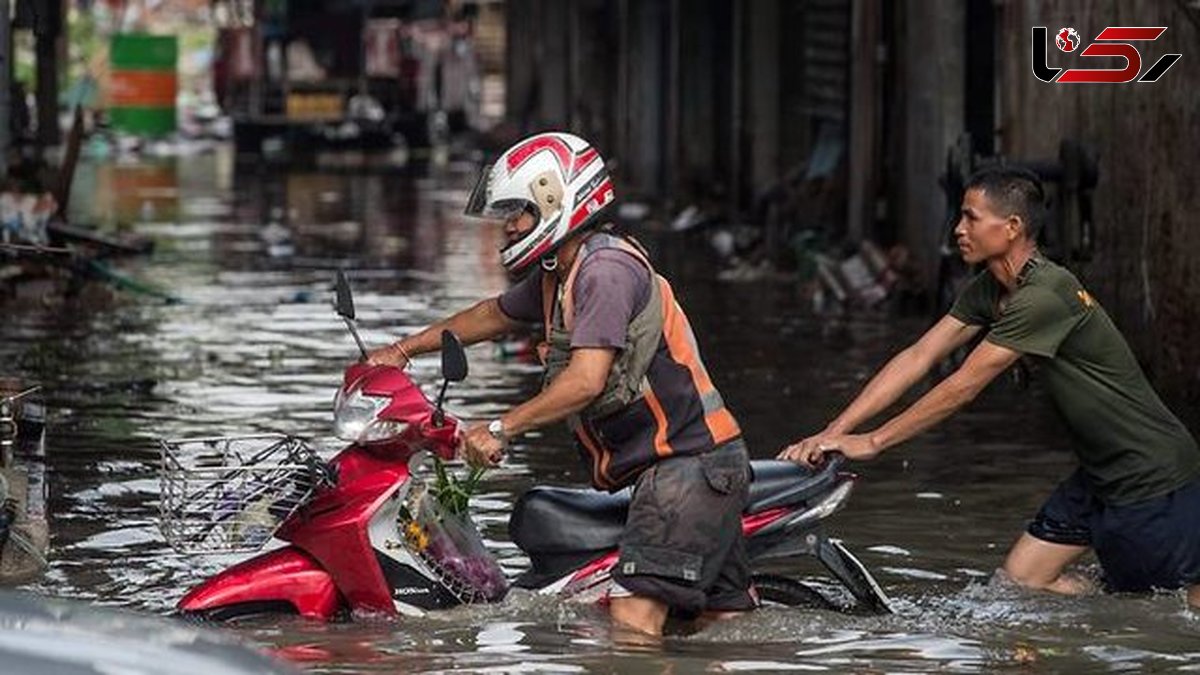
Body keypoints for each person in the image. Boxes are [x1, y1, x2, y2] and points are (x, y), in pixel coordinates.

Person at [367, 132, 756, 635]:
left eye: (519, 211)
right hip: (689, 468)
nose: (509, 226)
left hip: (687, 469)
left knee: (632, 623)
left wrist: (501, 427)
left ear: (558, 200)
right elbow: (492, 315)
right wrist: (402, 351)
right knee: (719, 628)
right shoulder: (563, 270)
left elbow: (586, 380)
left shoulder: (605, 271)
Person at [780, 167, 1200, 606]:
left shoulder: (1043, 295)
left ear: (1013, 227)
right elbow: (919, 356)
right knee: (1021, 584)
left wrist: (874, 441)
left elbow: (963, 386)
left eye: (971, 218)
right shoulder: (992, 289)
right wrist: (835, 431)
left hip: (1150, 477)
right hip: (1099, 475)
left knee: (1162, 612)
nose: (959, 229)